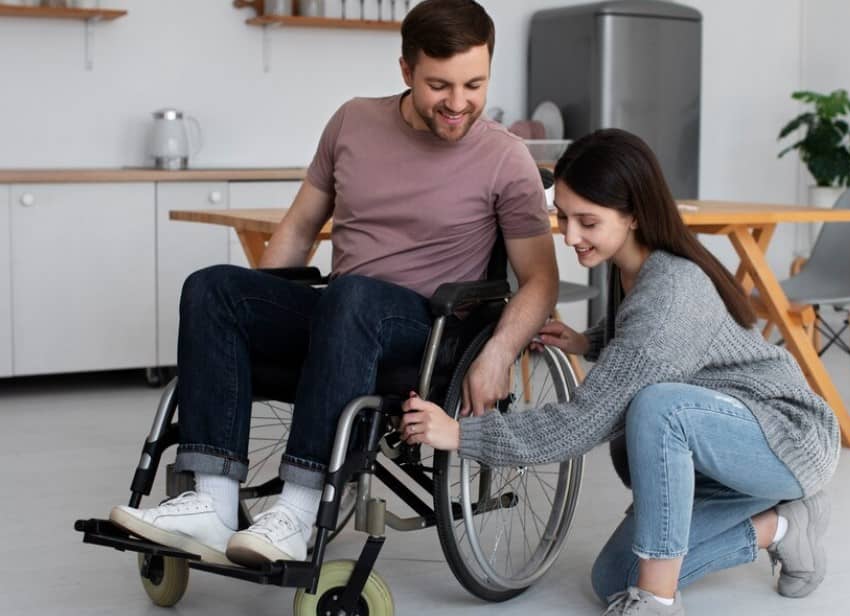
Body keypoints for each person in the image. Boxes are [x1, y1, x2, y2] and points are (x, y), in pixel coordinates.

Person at [110, 0, 558, 569]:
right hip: (343, 317)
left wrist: (498, 353)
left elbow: (541, 279)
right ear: (405, 71)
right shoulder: (353, 121)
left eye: (474, 84)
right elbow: (299, 226)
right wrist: (257, 317)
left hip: (429, 331)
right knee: (213, 288)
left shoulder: (505, 158)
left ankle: (299, 508)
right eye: (439, 85)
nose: (458, 103)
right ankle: (212, 501)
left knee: (354, 296)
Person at [400, 128, 840, 616]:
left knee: (658, 407)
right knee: (614, 578)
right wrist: (592, 341)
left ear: (633, 214)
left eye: (588, 222)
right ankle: (785, 526)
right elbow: (657, 341)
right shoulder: (638, 269)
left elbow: (583, 423)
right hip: (725, 446)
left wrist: (461, 434)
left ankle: (660, 610)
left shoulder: (672, 289)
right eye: (563, 216)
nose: (569, 236)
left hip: (787, 437)